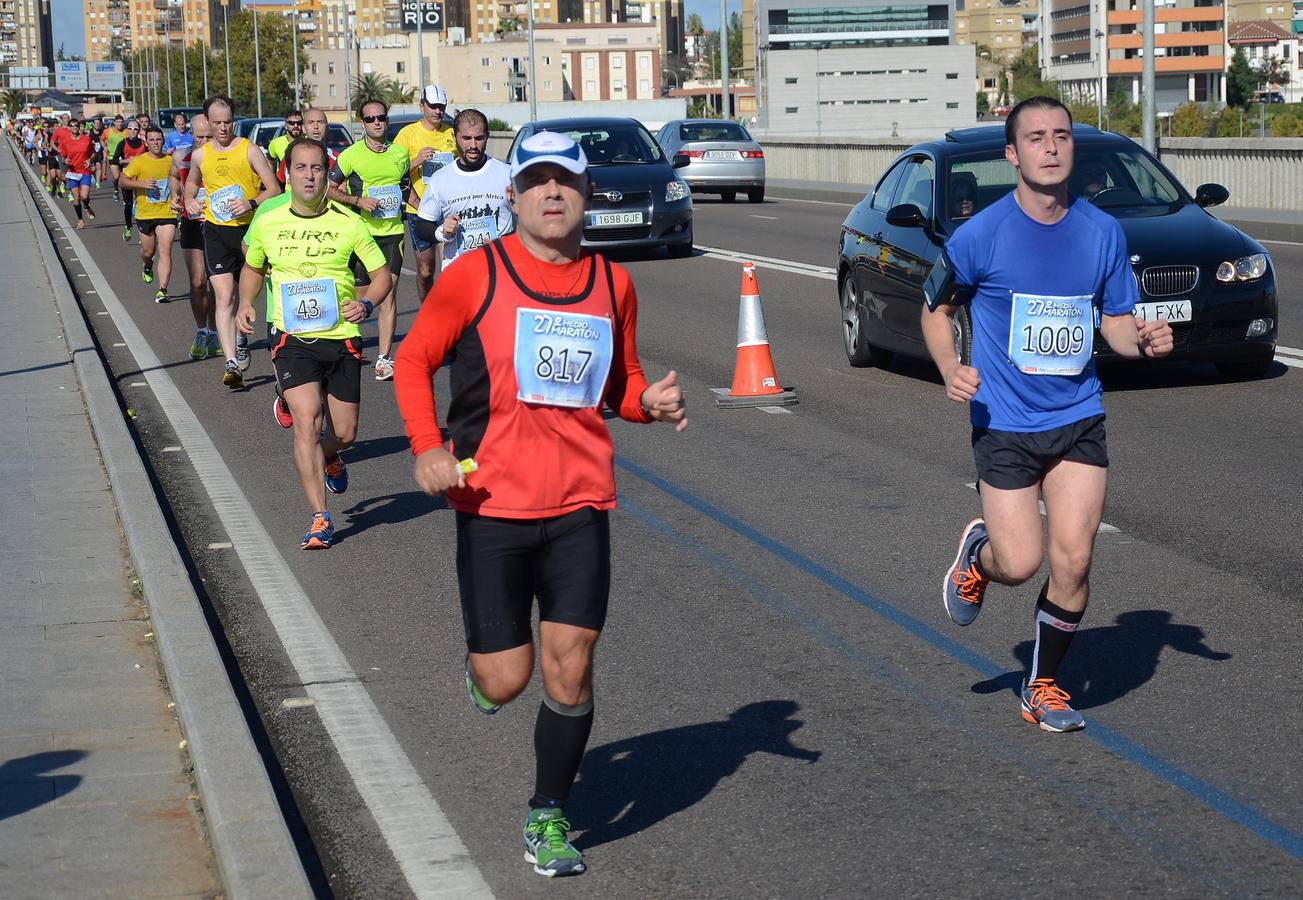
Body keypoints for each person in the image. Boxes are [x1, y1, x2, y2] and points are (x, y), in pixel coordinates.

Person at [393, 131, 687, 878]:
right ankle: (481, 674)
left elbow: (618, 385)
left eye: (567, 183)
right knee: (506, 678)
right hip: (490, 503)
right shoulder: (474, 275)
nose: (552, 194)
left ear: (586, 196)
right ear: (513, 197)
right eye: (537, 182)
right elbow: (413, 358)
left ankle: (547, 812)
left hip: (579, 503)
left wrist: (646, 402)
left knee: (571, 665)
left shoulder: (611, 285)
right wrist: (428, 446)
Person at [921, 97, 1174, 734]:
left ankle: (1045, 685)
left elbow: (1114, 322)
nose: (1052, 147)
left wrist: (1139, 341)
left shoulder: (1101, 232)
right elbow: (935, 310)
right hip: (1004, 420)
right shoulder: (981, 235)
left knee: (1075, 562)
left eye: (1061, 135)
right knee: (1022, 563)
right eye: (1036, 138)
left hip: (1079, 416)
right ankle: (980, 557)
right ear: (1013, 155)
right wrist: (952, 368)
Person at [235, 138, 392, 549]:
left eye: (317, 168)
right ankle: (320, 516)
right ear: (288, 173)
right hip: (293, 338)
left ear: (327, 174)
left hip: (341, 338)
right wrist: (245, 305)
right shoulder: (269, 221)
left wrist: (368, 303)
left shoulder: (349, 222)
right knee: (307, 420)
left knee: (345, 432)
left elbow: (382, 274)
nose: (308, 175)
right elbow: (253, 267)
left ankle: (331, 454)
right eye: (300, 167)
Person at [184, 95, 281, 389]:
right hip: (216, 231)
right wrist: (189, 198)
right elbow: (191, 181)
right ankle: (231, 364)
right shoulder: (201, 155)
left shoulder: (249, 150)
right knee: (224, 296)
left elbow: (275, 189)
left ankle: (240, 336)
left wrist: (251, 202)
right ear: (207, 122)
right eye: (217, 123)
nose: (223, 128)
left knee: (245, 296)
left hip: (249, 233)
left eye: (227, 122)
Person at [326, 98, 410, 381]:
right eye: (371, 119)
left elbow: (406, 191)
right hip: (362, 235)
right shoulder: (350, 155)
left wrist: (429, 215)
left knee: (388, 294)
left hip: (393, 233)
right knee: (360, 298)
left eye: (381, 117)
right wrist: (357, 200)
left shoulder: (400, 154)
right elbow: (330, 189)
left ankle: (385, 358)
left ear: (387, 120)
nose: (377, 123)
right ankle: (350, 342)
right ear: (362, 123)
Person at [414, 107, 513, 274]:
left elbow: (528, 221)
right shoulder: (440, 179)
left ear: (487, 136)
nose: (473, 145)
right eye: (466, 138)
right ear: (454, 137)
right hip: (459, 274)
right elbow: (422, 226)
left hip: (500, 271)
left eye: (479, 138)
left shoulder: (508, 174)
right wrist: (442, 232)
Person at [393, 84, 457, 302]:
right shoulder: (407, 134)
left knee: (450, 268)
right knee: (426, 271)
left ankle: (448, 316)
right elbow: (392, 171)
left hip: (448, 209)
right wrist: (417, 160)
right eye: (433, 106)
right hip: (419, 209)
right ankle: (427, 309)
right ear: (422, 106)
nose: (438, 111)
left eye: (441, 107)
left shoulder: (451, 134)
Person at [170, 114, 220, 359]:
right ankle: (202, 330)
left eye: (208, 136)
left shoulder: (221, 156)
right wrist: (175, 196)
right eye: (199, 136)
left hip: (216, 223)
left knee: (216, 283)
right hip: (191, 223)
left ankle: (214, 333)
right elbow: (172, 176)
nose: (204, 141)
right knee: (198, 281)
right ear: (191, 135)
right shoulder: (182, 156)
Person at [120, 125, 178, 303]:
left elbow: (180, 180)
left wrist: (178, 197)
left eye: (159, 139)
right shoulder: (138, 161)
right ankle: (147, 265)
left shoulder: (170, 161)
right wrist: (142, 184)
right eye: (152, 140)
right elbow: (123, 181)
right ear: (147, 142)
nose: (156, 143)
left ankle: (162, 290)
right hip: (145, 214)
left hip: (167, 212)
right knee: (148, 251)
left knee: (166, 249)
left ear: (163, 141)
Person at [59, 118, 98, 230]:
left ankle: (86, 206)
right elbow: (62, 157)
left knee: (84, 196)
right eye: (72, 125)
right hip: (72, 173)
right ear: (69, 128)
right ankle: (80, 221)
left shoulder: (86, 140)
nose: (75, 127)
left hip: (85, 171)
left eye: (77, 125)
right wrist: (65, 161)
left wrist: (90, 160)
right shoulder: (65, 142)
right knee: (76, 198)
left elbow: (93, 153)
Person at [111, 121, 147, 241]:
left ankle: (143, 232)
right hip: (127, 177)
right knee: (129, 203)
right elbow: (115, 160)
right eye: (130, 129)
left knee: (141, 204)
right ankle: (128, 226)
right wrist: (127, 161)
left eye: (135, 129)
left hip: (141, 178)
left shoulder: (143, 144)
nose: (133, 131)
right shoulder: (123, 143)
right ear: (127, 130)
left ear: (139, 131)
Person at [266, 110, 305, 184]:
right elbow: (270, 162)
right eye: (291, 123)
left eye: (299, 123)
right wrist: (272, 182)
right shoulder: (275, 143)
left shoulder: (308, 143)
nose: (296, 126)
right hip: (285, 189)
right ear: (286, 125)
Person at [101, 114, 127, 191]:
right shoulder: (107, 131)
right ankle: (116, 188)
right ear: (114, 123)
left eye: (121, 122)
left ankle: (124, 192)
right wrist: (104, 147)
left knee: (123, 176)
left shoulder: (126, 132)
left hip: (123, 157)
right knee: (116, 176)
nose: (120, 123)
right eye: (118, 122)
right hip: (112, 156)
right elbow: (101, 139)